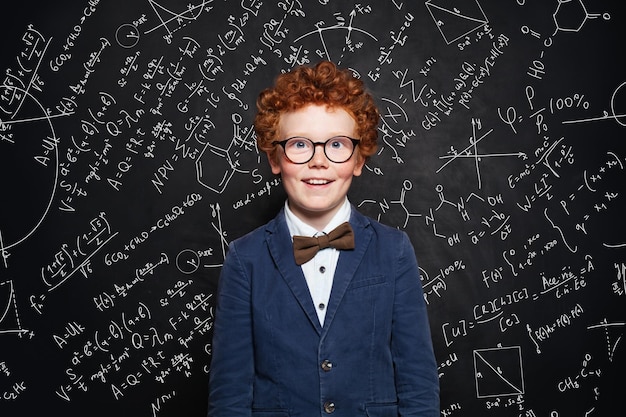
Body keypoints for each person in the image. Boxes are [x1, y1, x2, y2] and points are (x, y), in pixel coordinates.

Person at [208, 60, 439, 416]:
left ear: (358, 159)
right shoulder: (244, 260)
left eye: (336, 145)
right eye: (300, 144)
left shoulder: (394, 251)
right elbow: (230, 397)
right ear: (274, 157)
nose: (319, 161)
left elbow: (418, 384)